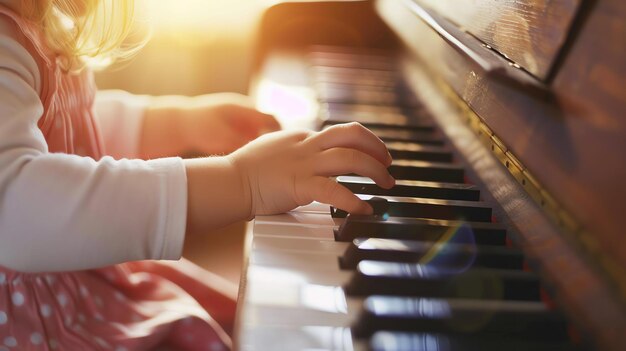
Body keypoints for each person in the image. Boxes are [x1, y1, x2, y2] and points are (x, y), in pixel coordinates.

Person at [0, 0, 394, 350]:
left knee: (248, 323)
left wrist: (173, 123)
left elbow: (56, 133)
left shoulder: (28, 22)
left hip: (77, 289)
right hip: (38, 326)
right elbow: (17, 210)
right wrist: (241, 180)